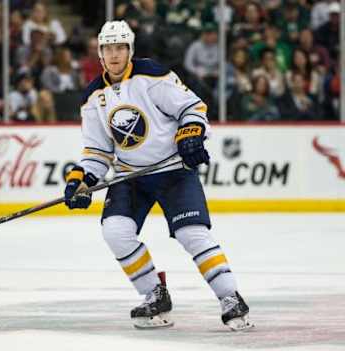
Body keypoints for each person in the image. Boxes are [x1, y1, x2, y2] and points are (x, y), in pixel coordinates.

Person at [63, 20, 253, 331]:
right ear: (100, 53)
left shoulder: (152, 75)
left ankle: (230, 298)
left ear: (130, 49)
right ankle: (155, 294)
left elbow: (193, 107)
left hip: (173, 170)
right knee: (115, 231)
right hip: (130, 177)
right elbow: (97, 151)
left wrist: (190, 135)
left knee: (191, 234)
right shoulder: (92, 97)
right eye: (108, 48)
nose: (114, 53)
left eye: (120, 47)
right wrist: (81, 179)